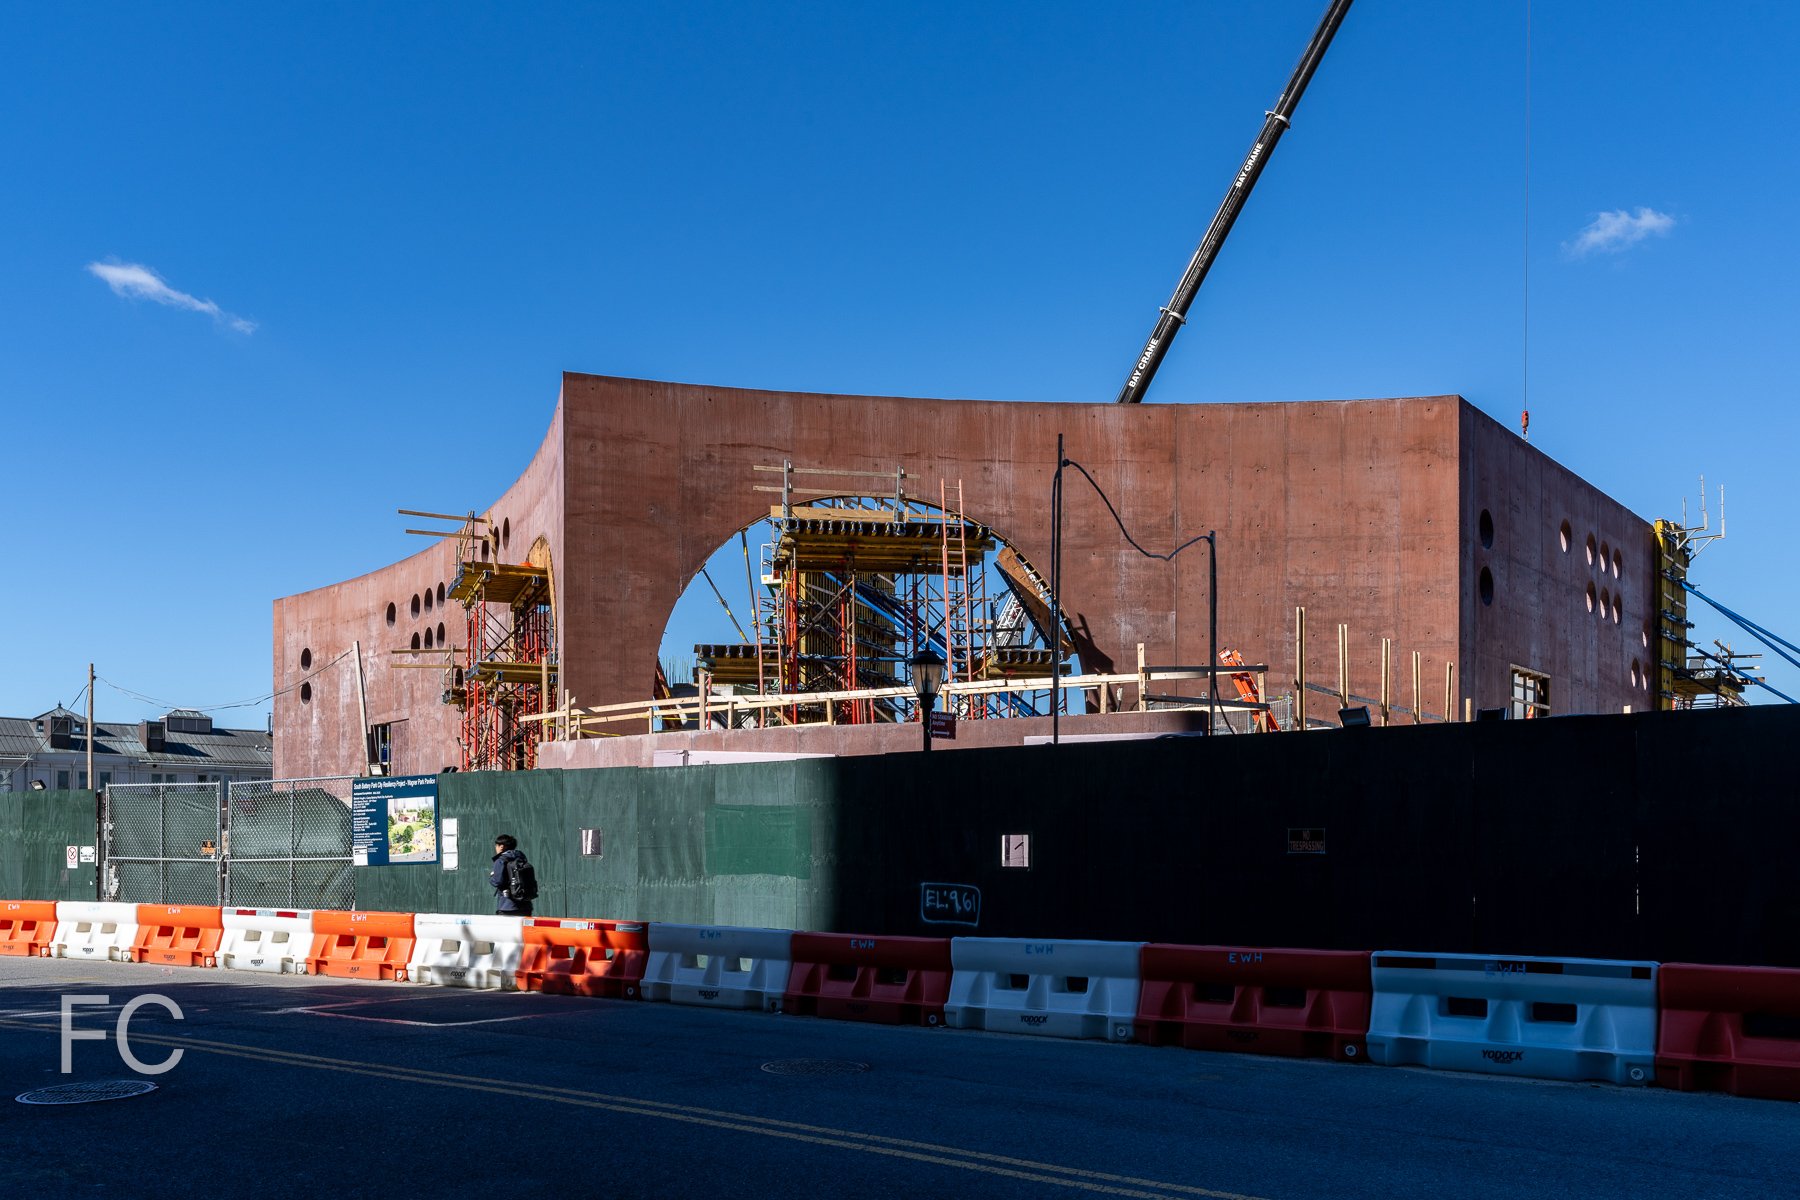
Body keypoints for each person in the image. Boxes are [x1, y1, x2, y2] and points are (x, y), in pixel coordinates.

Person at [490, 833, 533, 917]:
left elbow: (497, 881)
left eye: (496, 846)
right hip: (526, 906)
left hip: (507, 906)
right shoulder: (521, 858)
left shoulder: (501, 860)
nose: (496, 848)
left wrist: (492, 877)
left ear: (501, 847)